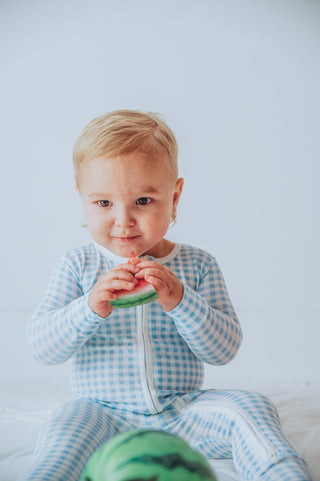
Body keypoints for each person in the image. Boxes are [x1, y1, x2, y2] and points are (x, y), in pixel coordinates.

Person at [20, 110, 311, 480]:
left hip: (184, 412)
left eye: (143, 201)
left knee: (252, 407)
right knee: (64, 428)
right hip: (101, 414)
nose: (123, 220)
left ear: (174, 196)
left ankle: (284, 473)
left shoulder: (198, 264)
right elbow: (42, 348)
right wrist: (89, 307)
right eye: (104, 203)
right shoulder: (77, 265)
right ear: (82, 198)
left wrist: (181, 300)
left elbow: (224, 351)